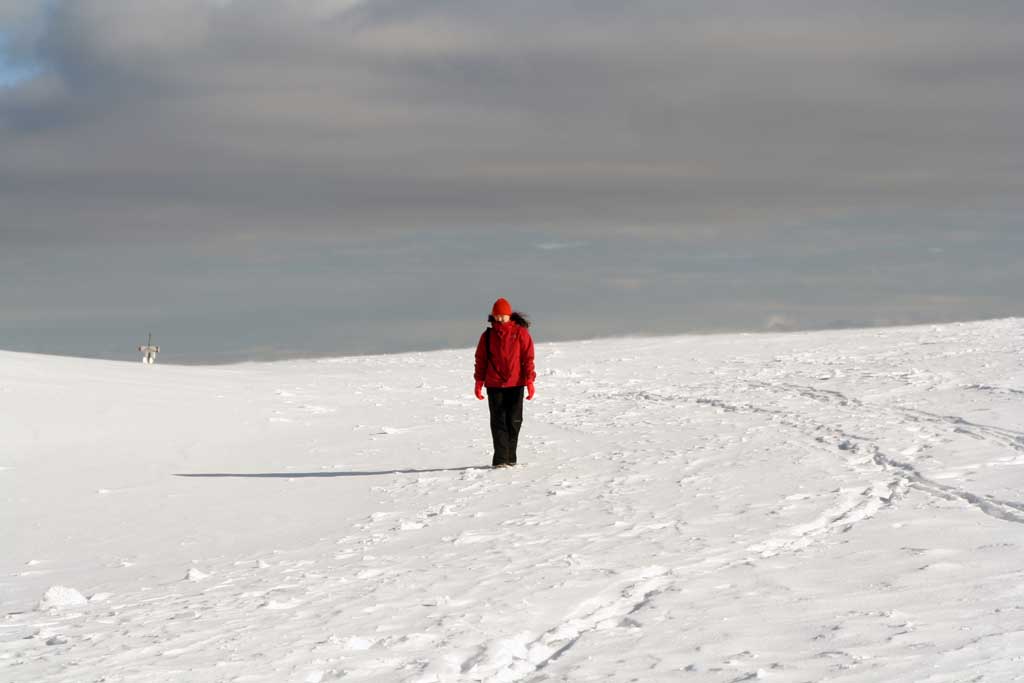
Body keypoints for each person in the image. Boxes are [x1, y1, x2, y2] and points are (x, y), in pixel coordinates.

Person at [474, 298, 536, 468]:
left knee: (514, 421)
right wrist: (478, 382)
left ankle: (511, 457)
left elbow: (528, 358)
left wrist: (529, 381)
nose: (500, 319)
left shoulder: (521, 333)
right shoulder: (487, 336)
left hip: (516, 384)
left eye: (503, 315)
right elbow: (481, 360)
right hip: (494, 385)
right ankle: (501, 460)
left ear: (509, 316)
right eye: (497, 315)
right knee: (498, 421)